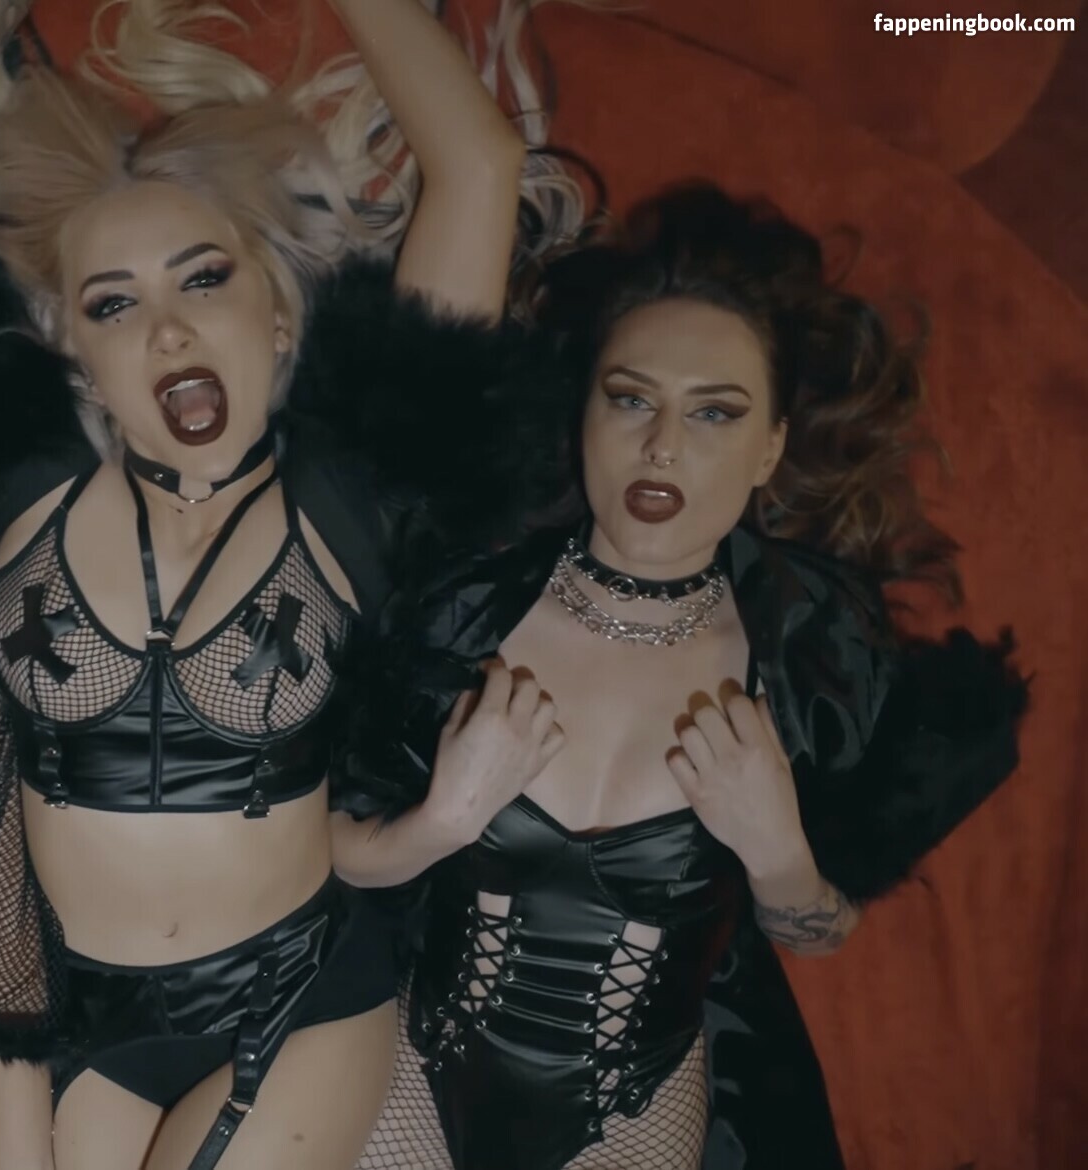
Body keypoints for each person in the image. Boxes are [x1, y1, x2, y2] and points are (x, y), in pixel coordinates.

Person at [0, 1, 577, 1166]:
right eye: (114, 303)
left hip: (291, 995)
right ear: (78, 357)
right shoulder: (19, 478)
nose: (165, 330)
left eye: (203, 279)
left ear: (275, 317)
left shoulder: (352, 492)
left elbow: (476, 160)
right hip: (85, 1021)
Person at [330, 183, 1030, 1170]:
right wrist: (436, 824)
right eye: (631, 399)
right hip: (412, 1057)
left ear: (769, 447)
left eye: (713, 414)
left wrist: (778, 852)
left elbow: (818, 930)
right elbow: (322, 849)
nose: (662, 445)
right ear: (584, 413)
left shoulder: (813, 657)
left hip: (635, 1103)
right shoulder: (462, 608)